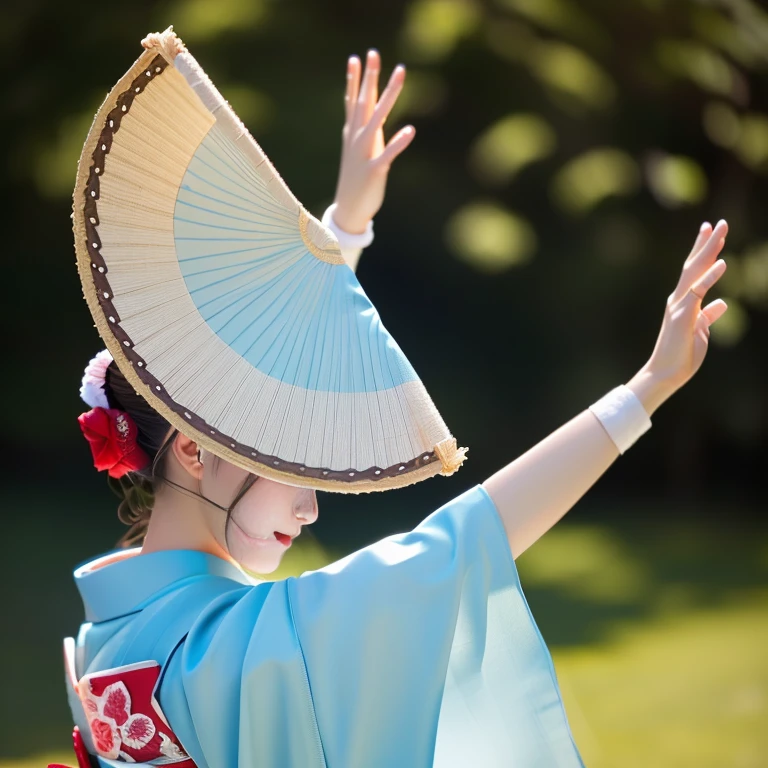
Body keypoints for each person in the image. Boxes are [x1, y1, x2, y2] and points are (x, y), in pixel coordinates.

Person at [57, 48, 729, 768]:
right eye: (292, 467)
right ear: (193, 447)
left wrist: (343, 230)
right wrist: (646, 389)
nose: (312, 509)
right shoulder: (251, 650)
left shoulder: (112, 637)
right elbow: (466, 540)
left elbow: (263, 384)